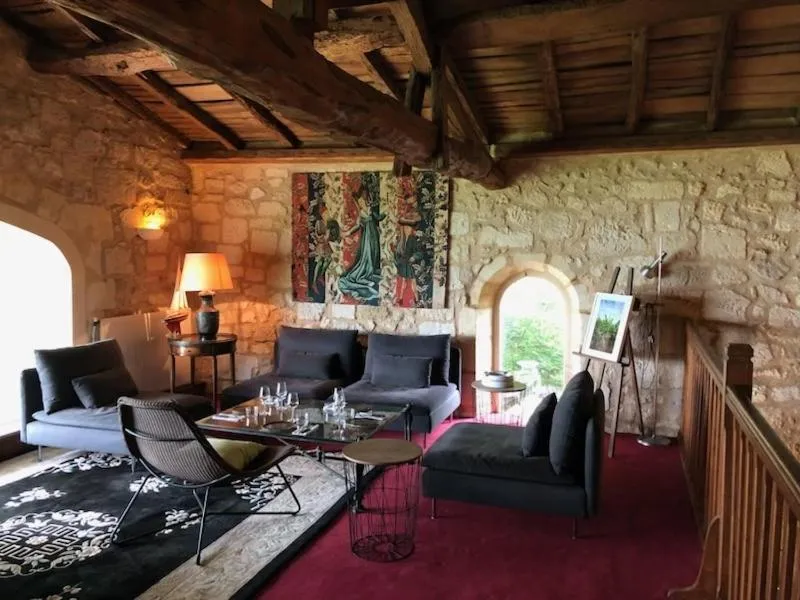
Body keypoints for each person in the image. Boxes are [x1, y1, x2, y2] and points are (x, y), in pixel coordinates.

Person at [338, 179, 384, 303]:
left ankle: (370, 272)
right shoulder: (362, 211)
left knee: (373, 253)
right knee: (366, 255)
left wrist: (381, 218)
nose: (364, 201)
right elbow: (358, 225)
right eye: (362, 199)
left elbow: (375, 217)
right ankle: (366, 273)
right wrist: (347, 232)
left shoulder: (367, 208)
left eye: (365, 198)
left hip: (372, 232)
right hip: (367, 234)